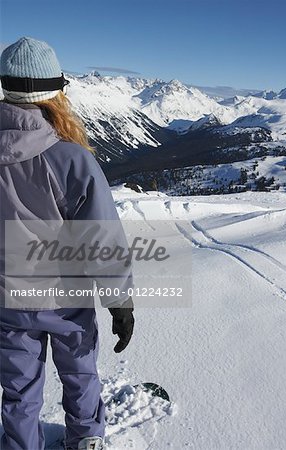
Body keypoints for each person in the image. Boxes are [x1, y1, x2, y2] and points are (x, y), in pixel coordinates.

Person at [0, 37, 135, 450]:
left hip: (8, 300)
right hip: (66, 298)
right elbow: (102, 237)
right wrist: (120, 301)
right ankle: (86, 440)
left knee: (20, 391)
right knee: (79, 374)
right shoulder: (71, 159)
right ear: (57, 91)